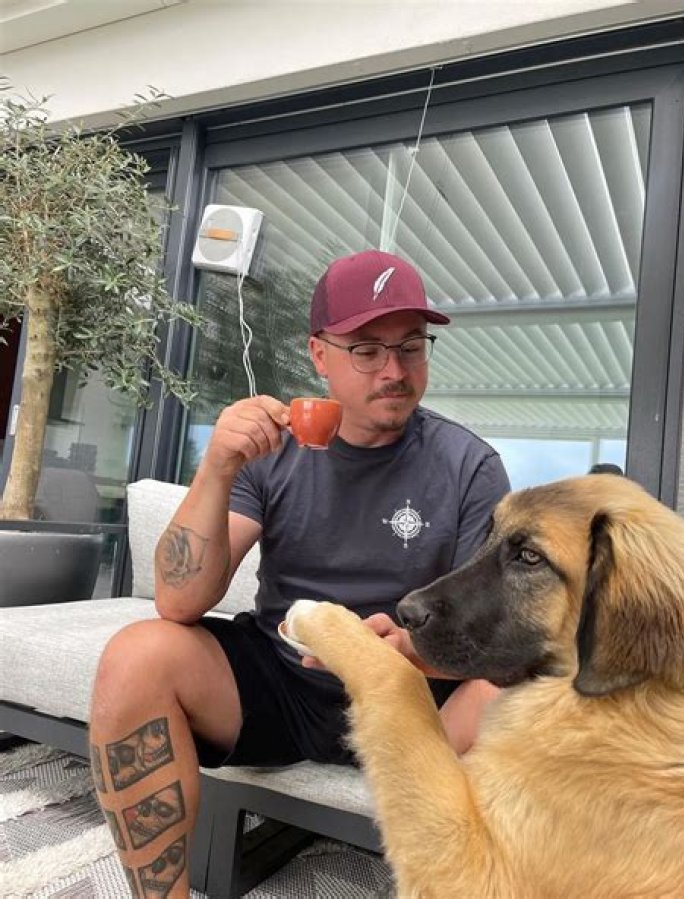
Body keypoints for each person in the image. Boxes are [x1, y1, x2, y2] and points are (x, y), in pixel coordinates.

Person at [89, 249, 511, 897]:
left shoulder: (469, 466)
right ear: (319, 355)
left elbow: (492, 638)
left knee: (527, 690)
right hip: (282, 685)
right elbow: (178, 600)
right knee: (137, 655)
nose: (394, 370)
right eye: (367, 350)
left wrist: (413, 651)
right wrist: (217, 467)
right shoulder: (276, 449)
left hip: (417, 703)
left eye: (410, 347)